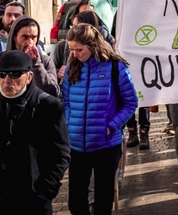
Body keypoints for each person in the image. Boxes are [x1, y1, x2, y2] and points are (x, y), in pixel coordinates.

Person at [0, 50, 70, 215]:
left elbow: (61, 154)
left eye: (15, 74)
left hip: (32, 199)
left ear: (29, 77)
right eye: (2, 74)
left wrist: (45, 191)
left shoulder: (48, 106)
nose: (7, 80)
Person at [63, 23, 138, 215]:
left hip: (106, 145)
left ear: (92, 45)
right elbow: (66, 101)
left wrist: (111, 126)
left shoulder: (115, 67)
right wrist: (71, 123)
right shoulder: (72, 66)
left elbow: (130, 103)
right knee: (76, 203)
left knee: (103, 203)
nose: (75, 54)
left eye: (79, 49)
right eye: (72, 49)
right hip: (78, 146)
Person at [0, 16, 60, 98]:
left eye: (33, 37)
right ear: (15, 37)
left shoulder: (45, 61)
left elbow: (53, 93)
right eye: (25, 37)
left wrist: (36, 64)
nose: (30, 42)